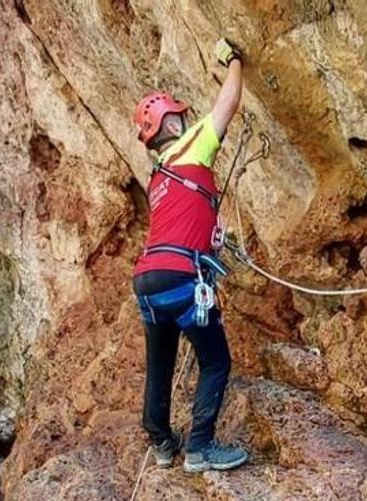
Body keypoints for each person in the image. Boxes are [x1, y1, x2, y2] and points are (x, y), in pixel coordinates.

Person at [131, 38, 249, 473]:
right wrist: (235, 60)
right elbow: (229, 101)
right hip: (181, 277)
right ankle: (199, 448)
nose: (187, 116)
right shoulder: (194, 145)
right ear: (174, 125)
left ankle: (162, 443)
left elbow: (181, 221)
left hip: (148, 280)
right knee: (215, 360)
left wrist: (209, 240)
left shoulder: (157, 177)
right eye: (180, 114)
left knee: (159, 363)